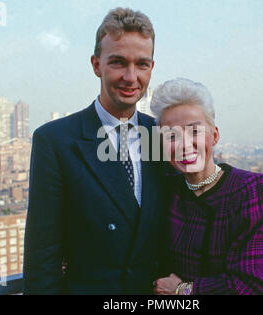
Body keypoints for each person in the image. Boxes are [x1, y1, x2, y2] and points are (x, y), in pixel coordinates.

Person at [23, 8, 168, 295]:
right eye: (118, 62)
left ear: (152, 68)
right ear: (96, 65)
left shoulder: (163, 136)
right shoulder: (55, 141)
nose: (130, 77)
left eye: (141, 64)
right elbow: (42, 257)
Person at [151, 78, 263, 295]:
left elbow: (254, 287)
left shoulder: (250, 190)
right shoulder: (167, 188)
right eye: (171, 136)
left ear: (215, 135)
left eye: (194, 132)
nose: (184, 144)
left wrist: (183, 290)